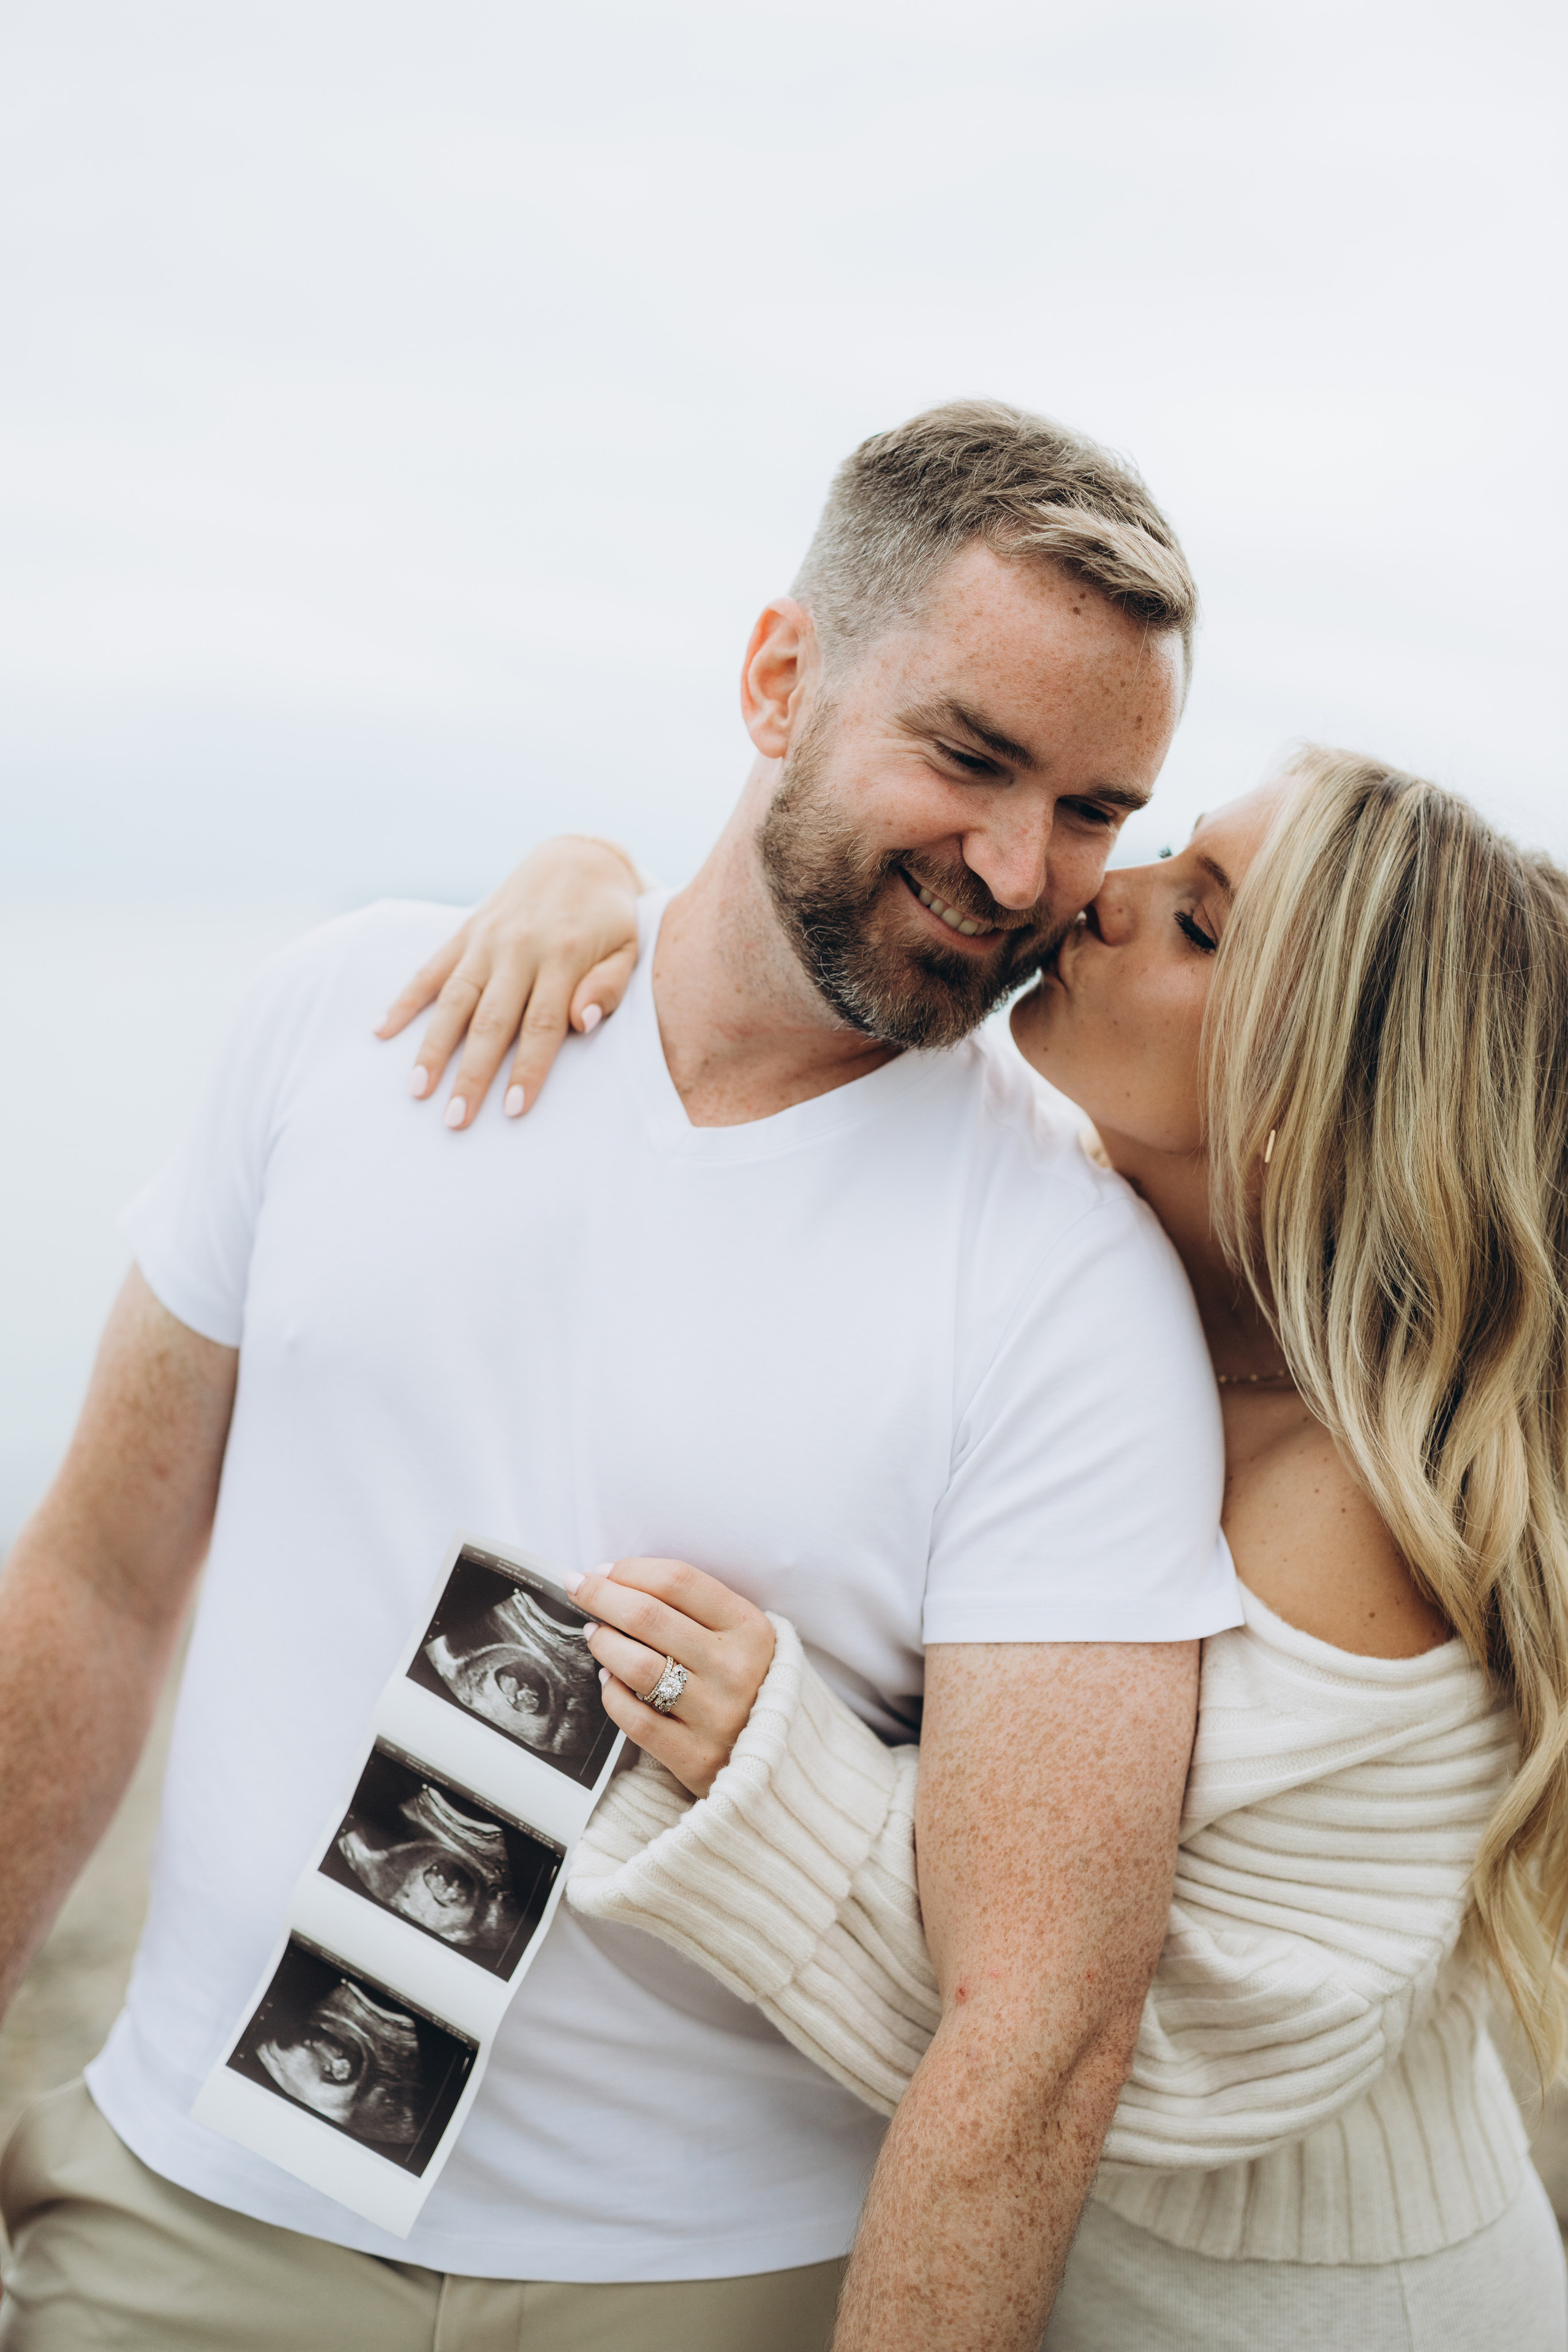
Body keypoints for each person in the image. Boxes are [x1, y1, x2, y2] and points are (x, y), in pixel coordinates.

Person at [0, 401, 1243, 2352]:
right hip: (194, 2212)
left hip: (695, 2286)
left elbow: (1047, 2015)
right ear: (780, 679)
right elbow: (93, 1580)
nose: (1020, 871)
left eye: (1095, 811)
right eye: (971, 757)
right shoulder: (350, 1021)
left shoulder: (1071, 1284)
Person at [383, 751, 1568, 2349]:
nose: (1101, 894)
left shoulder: (1347, 1511)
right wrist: (596, 884)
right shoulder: (1104, 1249)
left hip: (1297, 2303)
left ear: (1294, 1112)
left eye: (1198, 926)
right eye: (1161, 853)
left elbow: (1139, 2047)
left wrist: (772, 1767)